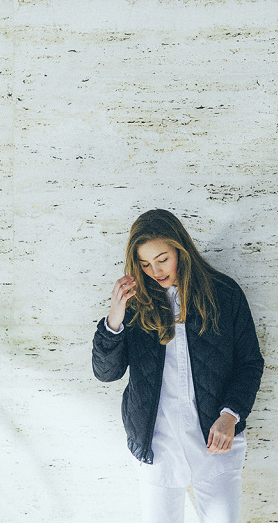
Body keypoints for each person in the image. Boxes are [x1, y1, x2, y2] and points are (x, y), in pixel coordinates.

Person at [92, 209, 264, 523]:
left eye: (162, 259)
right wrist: (115, 316)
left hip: (215, 441)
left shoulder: (224, 294)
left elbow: (249, 363)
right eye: (145, 264)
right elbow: (106, 373)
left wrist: (230, 415)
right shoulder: (136, 304)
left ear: (180, 251)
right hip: (157, 444)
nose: (155, 271)